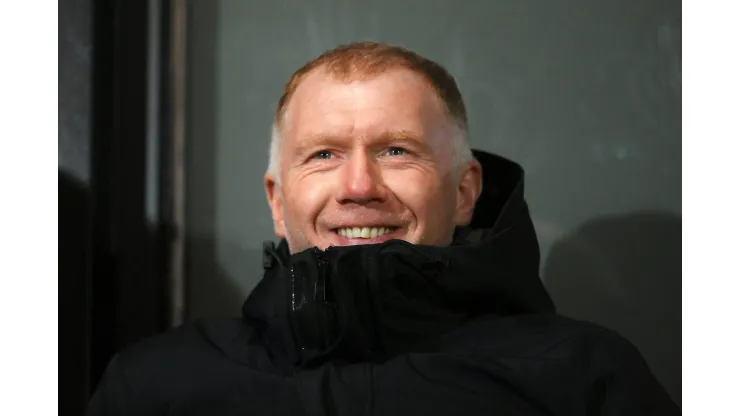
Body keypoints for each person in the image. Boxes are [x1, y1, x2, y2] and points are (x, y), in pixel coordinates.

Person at [88, 41, 679, 415]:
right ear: (276, 198)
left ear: (465, 191)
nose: (359, 185)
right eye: (322, 154)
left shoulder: (585, 379)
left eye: (397, 151)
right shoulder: (154, 387)